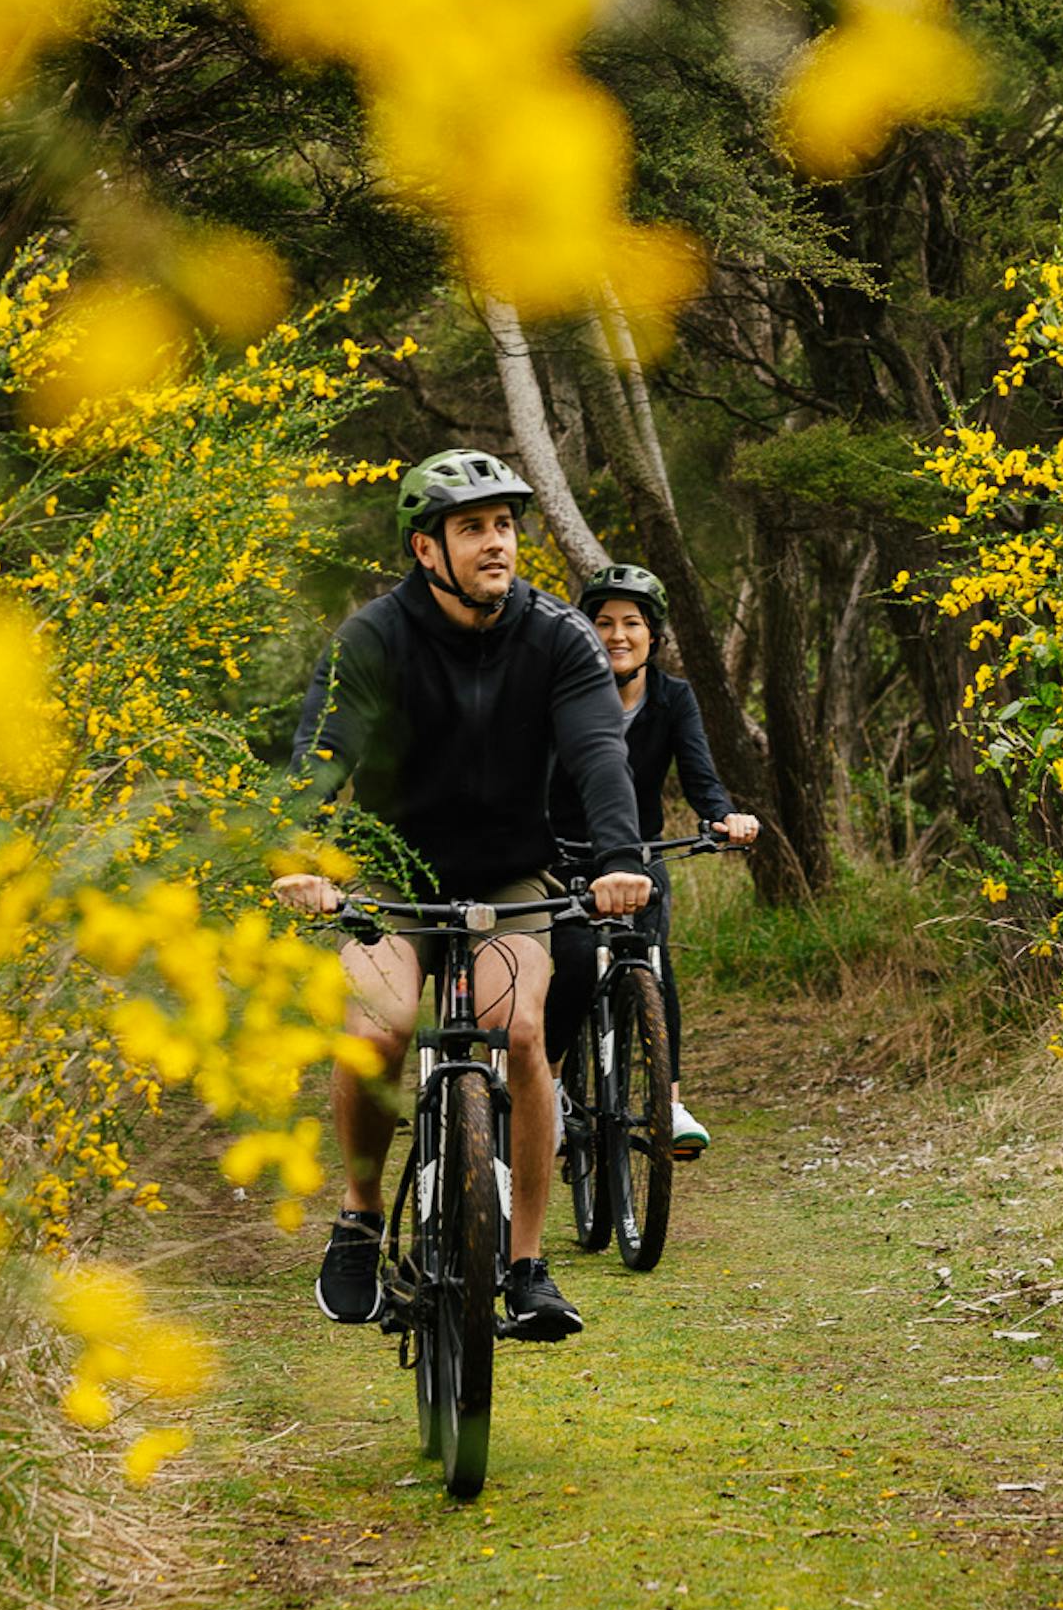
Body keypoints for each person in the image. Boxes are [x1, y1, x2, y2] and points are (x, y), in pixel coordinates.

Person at [274, 451, 651, 1343]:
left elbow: (601, 754)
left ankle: (525, 1266)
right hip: (391, 875)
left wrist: (617, 859)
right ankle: (361, 1217)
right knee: (378, 1029)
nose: (497, 543)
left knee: (520, 1033)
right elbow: (320, 758)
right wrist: (300, 862)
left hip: (509, 878)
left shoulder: (559, 638)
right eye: (474, 527)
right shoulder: (373, 639)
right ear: (426, 547)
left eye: (506, 526)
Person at [548, 562, 758, 1159]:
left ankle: (667, 1100)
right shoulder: (559, 696)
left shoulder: (673, 698)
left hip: (639, 858)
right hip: (565, 859)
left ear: (653, 636)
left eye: (632, 623)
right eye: (604, 622)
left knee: (654, 969)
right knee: (572, 965)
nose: (618, 634)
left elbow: (701, 779)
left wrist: (723, 817)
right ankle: (556, 1093)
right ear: (585, 632)